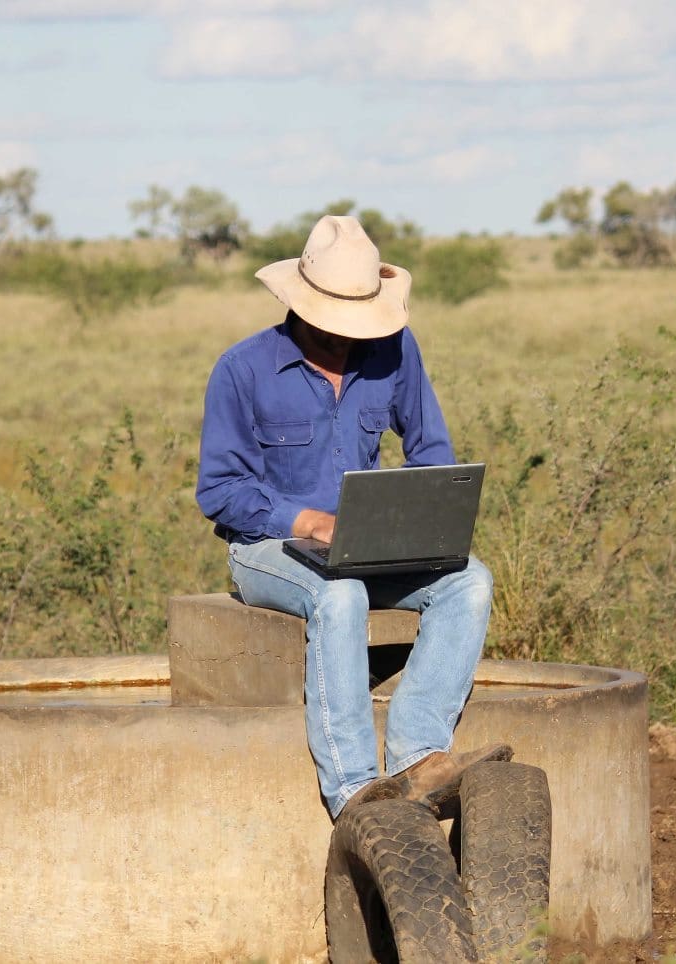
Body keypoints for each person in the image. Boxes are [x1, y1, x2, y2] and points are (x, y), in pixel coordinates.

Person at [195, 214, 509, 821]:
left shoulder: (396, 351)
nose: (347, 335)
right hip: (268, 549)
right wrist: (305, 519)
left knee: (470, 581)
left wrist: (422, 518)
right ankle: (355, 791)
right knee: (339, 596)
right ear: (302, 303)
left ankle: (420, 755)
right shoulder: (241, 370)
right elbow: (220, 492)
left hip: (370, 545)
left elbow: (431, 452)